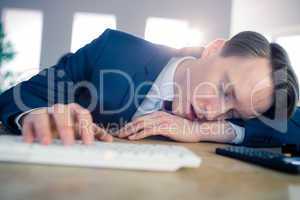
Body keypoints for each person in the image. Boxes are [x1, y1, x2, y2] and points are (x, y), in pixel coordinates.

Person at [0, 29, 298, 146]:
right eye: (225, 90)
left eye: (234, 110)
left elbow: (293, 126)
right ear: (214, 49)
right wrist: (37, 114)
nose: (215, 112)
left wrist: (205, 131)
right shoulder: (112, 50)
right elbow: (21, 95)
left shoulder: (227, 116)